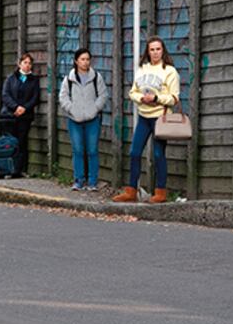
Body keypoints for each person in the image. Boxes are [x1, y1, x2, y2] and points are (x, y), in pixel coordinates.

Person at [113, 35, 180, 204]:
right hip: (143, 116)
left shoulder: (170, 71)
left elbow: (174, 98)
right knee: (134, 152)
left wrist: (156, 98)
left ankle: (161, 192)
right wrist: (141, 98)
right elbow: (132, 92)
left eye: (158, 49)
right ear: (148, 52)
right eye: (152, 49)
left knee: (158, 154)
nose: (156, 52)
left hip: (160, 118)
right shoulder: (142, 69)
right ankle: (131, 191)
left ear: (163, 50)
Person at [58, 47, 108, 191]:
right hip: (74, 120)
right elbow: (63, 97)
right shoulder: (69, 79)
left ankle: (92, 182)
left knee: (92, 150)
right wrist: (72, 109)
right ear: (76, 61)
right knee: (78, 150)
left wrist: (94, 109)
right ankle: (79, 180)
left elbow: (103, 96)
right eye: (82, 59)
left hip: (92, 120)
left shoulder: (96, 77)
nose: (85, 62)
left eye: (87, 59)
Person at [0, 53, 39, 178]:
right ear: (19, 64)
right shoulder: (11, 78)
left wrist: (24, 108)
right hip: (10, 116)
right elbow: (5, 95)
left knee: (21, 142)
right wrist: (15, 107)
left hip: (25, 116)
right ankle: (6, 168)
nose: (27, 65)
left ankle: (18, 170)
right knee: (9, 142)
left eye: (29, 63)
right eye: (25, 62)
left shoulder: (34, 80)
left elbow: (35, 98)